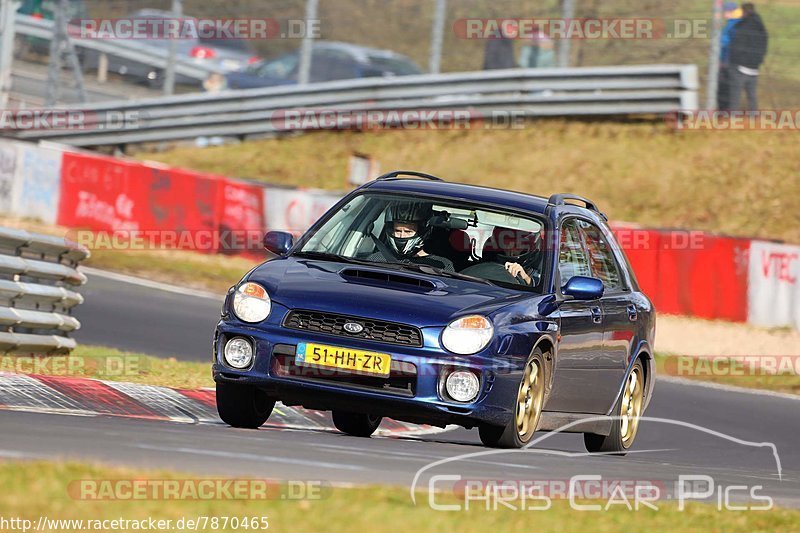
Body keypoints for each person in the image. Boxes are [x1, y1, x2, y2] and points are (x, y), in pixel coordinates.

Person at [367, 202, 455, 272]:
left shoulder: (441, 265)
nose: (402, 236)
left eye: (408, 231)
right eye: (397, 231)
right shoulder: (376, 259)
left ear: (422, 232)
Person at [728, 3, 768, 111]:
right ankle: (754, 121)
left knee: (735, 96)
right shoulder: (761, 28)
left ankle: (732, 121)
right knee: (752, 96)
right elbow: (764, 47)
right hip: (754, 68)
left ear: (744, 12)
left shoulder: (743, 27)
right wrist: (758, 61)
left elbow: (736, 46)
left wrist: (733, 62)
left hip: (740, 67)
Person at [717, 2, 743, 110]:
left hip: (728, 62)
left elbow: (725, 43)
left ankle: (725, 111)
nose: (723, 13)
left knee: (724, 88)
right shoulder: (735, 23)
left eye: (725, 11)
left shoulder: (732, 24)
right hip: (732, 61)